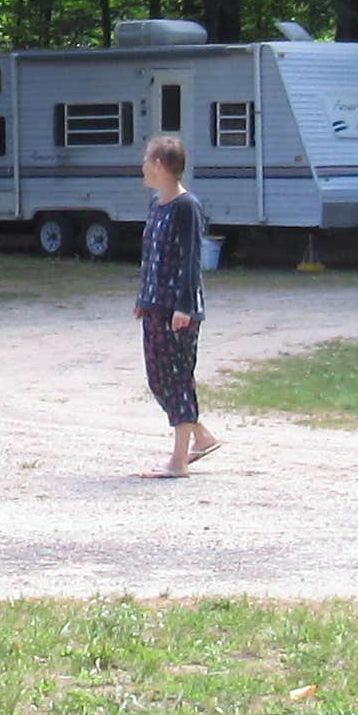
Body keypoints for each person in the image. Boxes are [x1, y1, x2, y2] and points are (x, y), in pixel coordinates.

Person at [136, 134, 217, 477]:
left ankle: (179, 461)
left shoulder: (187, 207)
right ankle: (202, 436)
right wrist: (143, 298)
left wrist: (183, 307)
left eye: (146, 160)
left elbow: (190, 259)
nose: (142, 167)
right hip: (155, 306)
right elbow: (151, 256)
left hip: (178, 310)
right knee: (158, 379)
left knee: (178, 378)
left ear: (159, 164)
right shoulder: (157, 205)